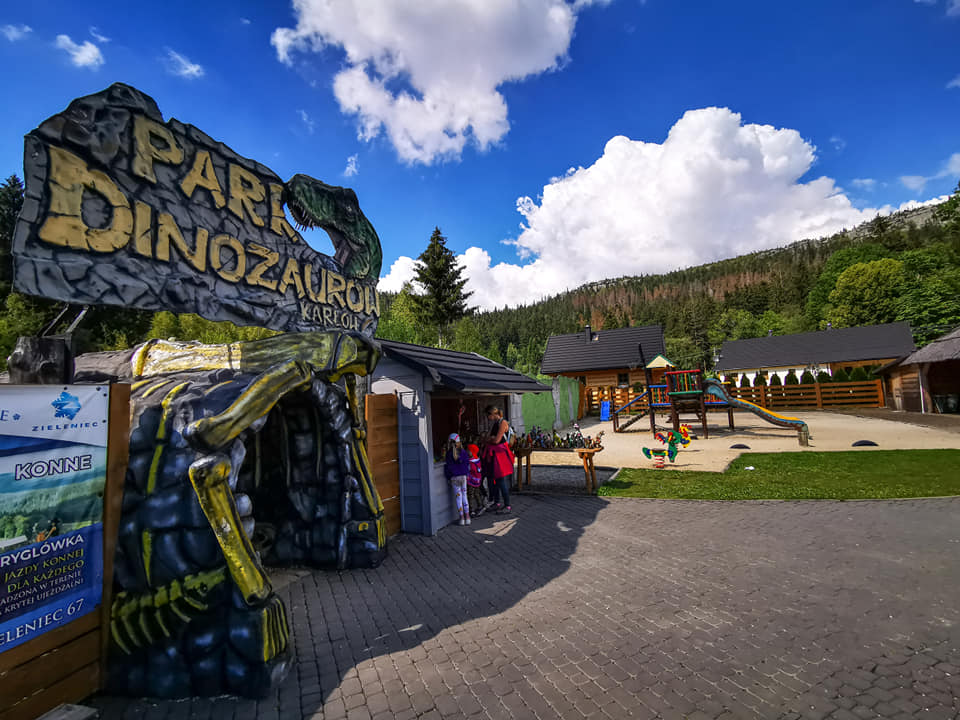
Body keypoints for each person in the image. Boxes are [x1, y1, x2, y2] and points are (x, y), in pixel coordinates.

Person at [482, 405, 514, 513]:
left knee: (500, 481)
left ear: (492, 414)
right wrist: (490, 438)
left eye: (488, 415)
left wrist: (490, 439)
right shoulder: (495, 423)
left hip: (500, 456)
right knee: (493, 480)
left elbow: (496, 440)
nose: (488, 418)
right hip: (494, 455)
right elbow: (489, 437)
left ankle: (507, 505)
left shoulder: (503, 423)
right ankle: (496, 502)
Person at [443, 433, 471, 525]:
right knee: (464, 496)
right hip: (463, 477)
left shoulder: (448, 454)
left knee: (458, 498)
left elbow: (447, 467)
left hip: (454, 478)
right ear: (459, 442)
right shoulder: (464, 452)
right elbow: (467, 464)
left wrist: (448, 477)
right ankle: (468, 517)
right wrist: (467, 474)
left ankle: (461, 518)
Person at [466, 444, 485, 517]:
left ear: (472, 452)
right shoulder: (478, 460)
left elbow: (471, 470)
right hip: (477, 481)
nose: (467, 452)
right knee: (477, 494)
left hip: (471, 481)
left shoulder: (470, 462)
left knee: (470, 495)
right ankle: (480, 506)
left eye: (468, 450)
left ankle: (471, 510)